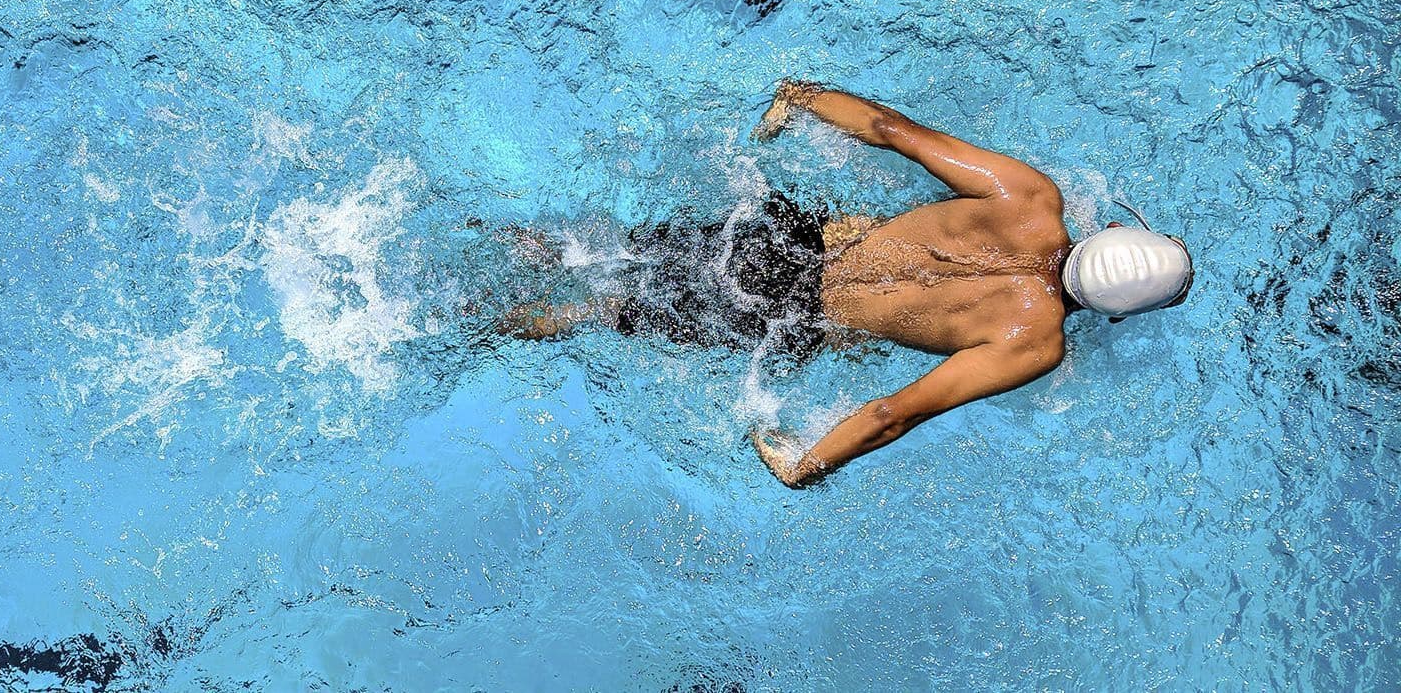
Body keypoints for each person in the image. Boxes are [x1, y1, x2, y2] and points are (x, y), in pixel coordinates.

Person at [498, 80, 1193, 488]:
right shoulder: (1034, 342)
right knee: (600, 311)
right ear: (1118, 314)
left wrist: (801, 97)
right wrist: (806, 465)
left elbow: (892, 129)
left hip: (782, 237)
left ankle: (500, 239)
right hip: (786, 317)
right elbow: (895, 412)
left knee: (592, 251)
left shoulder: (1030, 197)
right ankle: (485, 324)